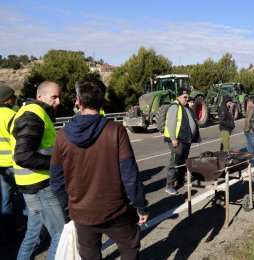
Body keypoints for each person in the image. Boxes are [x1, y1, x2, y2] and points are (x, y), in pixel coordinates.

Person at [50, 77, 148, 259]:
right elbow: (130, 175)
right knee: (129, 247)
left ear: (78, 101)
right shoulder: (116, 130)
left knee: (89, 254)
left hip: (82, 214)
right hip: (116, 211)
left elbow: (56, 181)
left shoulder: (61, 136)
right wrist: (141, 206)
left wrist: (71, 206)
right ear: (102, 101)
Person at [10, 81, 66, 260]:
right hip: (40, 186)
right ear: (40, 96)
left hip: (32, 186)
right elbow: (23, 156)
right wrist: (57, 162)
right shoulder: (33, 115)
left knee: (34, 234)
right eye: (54, 97)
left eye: (59, 97)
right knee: (61, 235)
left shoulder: (34, 112)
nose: (58, 102)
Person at [164, 87, 200, 195]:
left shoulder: (184, 107)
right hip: (177, 141)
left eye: (188, 97)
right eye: (185, 97)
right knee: (174, 162)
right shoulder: (174, 107)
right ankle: (169, 185)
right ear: (178, 96)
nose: (187, 99)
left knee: (183, 161)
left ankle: (180, 181)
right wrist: (173, 139)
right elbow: (171, 123)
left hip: (186, 140)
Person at [0, 83, 18, 243]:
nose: (14, 98)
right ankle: (21, 229)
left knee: (4, 200)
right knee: (25, 198)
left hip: (1, 169)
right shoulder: (11, 115)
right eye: (12, 96)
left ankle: (6, 233)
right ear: (6, 99)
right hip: (12, 164)